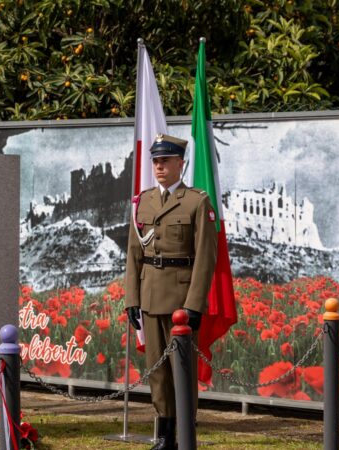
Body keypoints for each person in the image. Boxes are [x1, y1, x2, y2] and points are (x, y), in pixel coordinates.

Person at [124, 134, 218, 450]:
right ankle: (164, 437)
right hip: (150, 297)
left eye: (165, 161)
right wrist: (131, 299)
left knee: (182, 371)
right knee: (157, 372)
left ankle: (184, 435)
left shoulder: (196, 201)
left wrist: (194, 305)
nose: (159, 166)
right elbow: (134, 254)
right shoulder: (144, 201)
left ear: (181, 163)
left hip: (180, 301)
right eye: (156, 161)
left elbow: (206, 257)